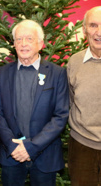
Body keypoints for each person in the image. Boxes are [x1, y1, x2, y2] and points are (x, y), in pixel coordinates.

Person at [0, 19, 69, 186]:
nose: (23, 44)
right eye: (19, 39)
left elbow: (60, 116)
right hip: (11, 155)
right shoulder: (3, 73)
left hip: (45, 156)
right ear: (13, 44)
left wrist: (31, 147)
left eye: (29, 39)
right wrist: (13, 146)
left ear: (40, 44)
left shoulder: (57, 73)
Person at [67, 6, 101, 185]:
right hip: (82, 146)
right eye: (93, 25)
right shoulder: (74, 61)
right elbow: (71, 100)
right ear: (84, 30)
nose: (99, 32)